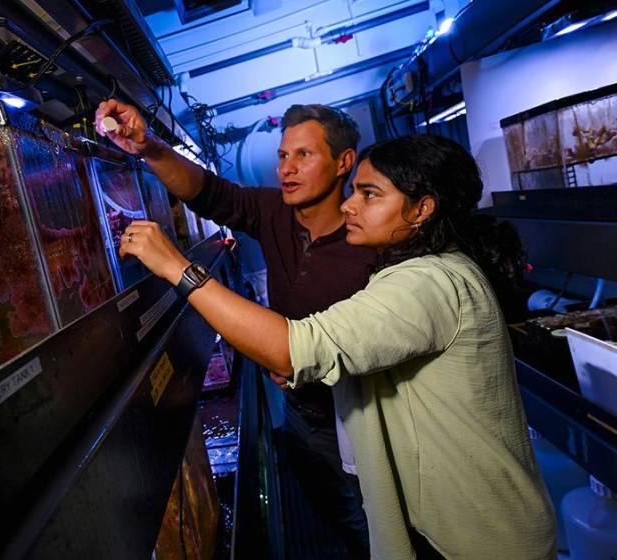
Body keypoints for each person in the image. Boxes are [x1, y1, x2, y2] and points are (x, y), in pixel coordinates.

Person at [116, 135, 557, 559]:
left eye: (369, 194)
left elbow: (296, 347)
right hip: (451, 524)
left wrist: (177, 267)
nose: (350, 204)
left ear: (422, 208)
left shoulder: (427, 282)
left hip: (475, 539)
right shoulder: (427, 269)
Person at [97, 99, 374, 557]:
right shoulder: (275, 212)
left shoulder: (368, 242)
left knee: (376, 521)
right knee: (337, 514)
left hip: (356, 419)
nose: (287, 167)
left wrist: (307, 363)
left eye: (304, 155)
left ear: (344, 162)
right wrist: (148, 147)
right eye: (283, 155)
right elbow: (208, 193)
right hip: (301, 414)